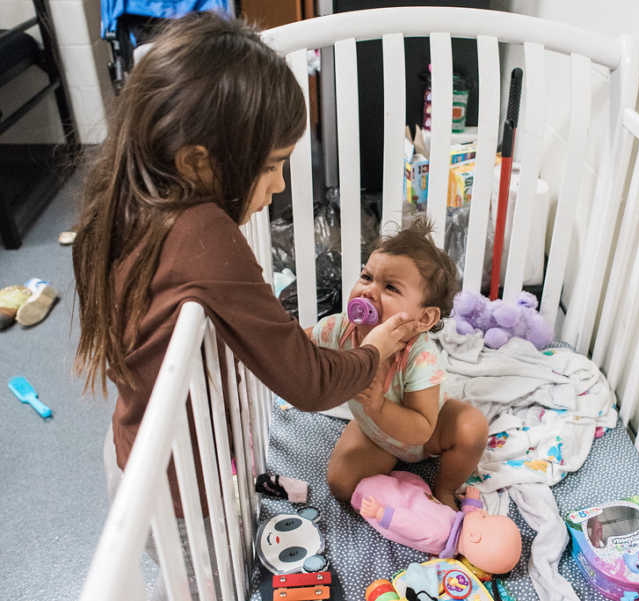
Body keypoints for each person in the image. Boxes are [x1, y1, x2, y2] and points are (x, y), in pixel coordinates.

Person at [71, 13, 417, 518]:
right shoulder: (204, 234)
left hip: (134, 451)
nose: (278, 185)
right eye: (272, 165)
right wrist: (374, 352)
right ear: (196, 163)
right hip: (179, 495)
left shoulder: (129, 202)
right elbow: (310, 383)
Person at [310, 218, 489, 508]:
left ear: (425, 319)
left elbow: (422, 429)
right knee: (341, 484)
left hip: (428, 431)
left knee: (472, 428)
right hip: (374, 431)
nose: (368, 291)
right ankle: (394, 481)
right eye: (366, 277)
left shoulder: (419, 356)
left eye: (390, 287)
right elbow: (299, 343)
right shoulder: (341, 330)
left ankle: (443, 489)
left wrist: (379, 405)